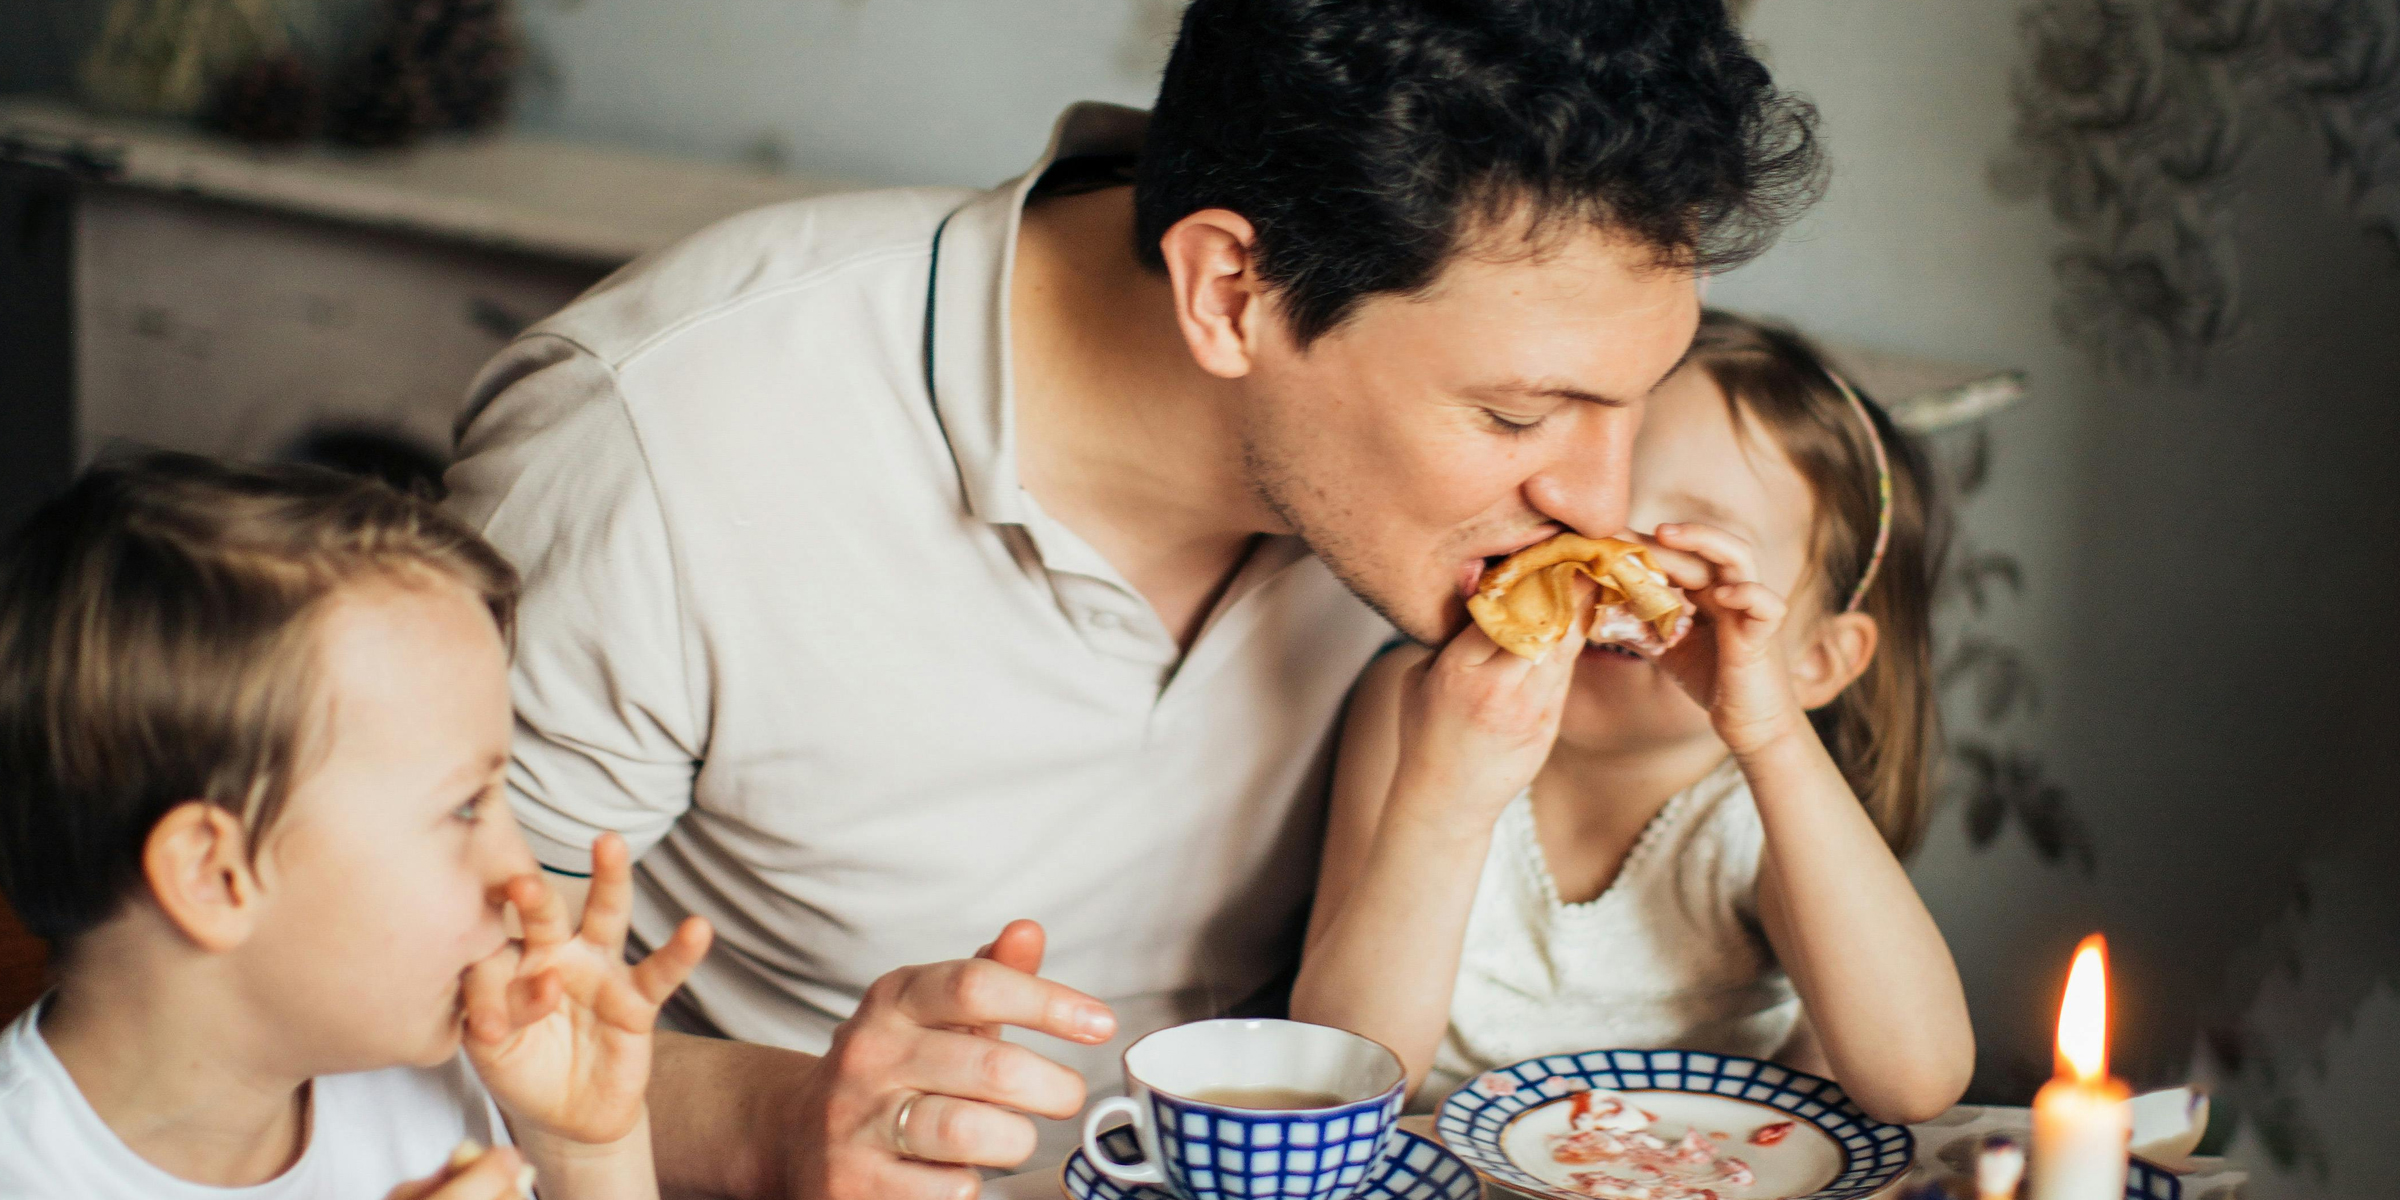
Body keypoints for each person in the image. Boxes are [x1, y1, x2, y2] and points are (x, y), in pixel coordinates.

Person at [442, 2, 1823, 1195]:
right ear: (1230, 290)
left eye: (1633, 403)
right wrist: (782, 1122)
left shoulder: (1455, 515)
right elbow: (416, 1010)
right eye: (1523, 412)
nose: (1600, 497)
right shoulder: (659, 440)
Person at [1290, 312, 1974, 1123]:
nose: (1614, 571)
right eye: (1590, 524)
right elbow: (1337, 1080)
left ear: (1814, 661)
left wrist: (1772, 734)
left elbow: (1918, 1080)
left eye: (1692, 551)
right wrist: (1445, 801)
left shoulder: (1763, 809)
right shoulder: (1424, 708)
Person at [0, 454, 713, 1199]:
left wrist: (588, 1155)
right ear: (214, 876)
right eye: (464, 806)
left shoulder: (433, 1073)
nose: (524, 877)